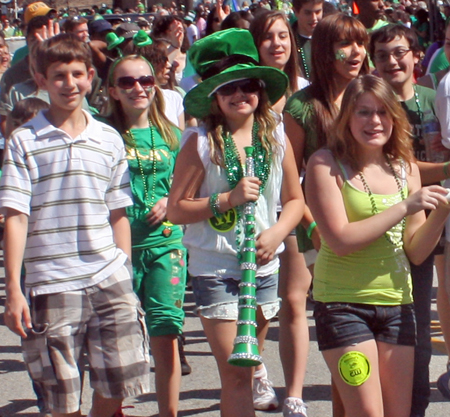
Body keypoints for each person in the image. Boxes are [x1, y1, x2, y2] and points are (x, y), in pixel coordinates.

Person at [0, 33, 151, 417]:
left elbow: (119, 212)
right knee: (61, 395)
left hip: (108, 275)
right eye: (60, 75)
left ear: (90, 78)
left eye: (78, 74)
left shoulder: (108, 138)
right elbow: (16, 216)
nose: (70, 84)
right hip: (52, 280)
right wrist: (14, 289)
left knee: (120, 381)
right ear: (41, 78)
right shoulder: (23, 141)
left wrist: (125, 270)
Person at [167, 28, 304, 417]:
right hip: (215, 268)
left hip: (263, 267)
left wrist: (277, 232)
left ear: (259, 89)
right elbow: (176, 209)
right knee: (237, 375)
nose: (239, 95)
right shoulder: (200, 143)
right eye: (227, 88)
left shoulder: (274, 136)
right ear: (214, 96)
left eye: (247, 85)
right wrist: (226, 199)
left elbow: (294, 200)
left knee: (249, 368)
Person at [305, 73, 450, 417]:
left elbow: (415, 250)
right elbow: (339, 240)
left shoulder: (405, 169)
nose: (375, 121)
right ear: (347, 118)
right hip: (343, 306)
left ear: (394, 119)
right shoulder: (325, 164)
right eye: (363, 112)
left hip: (398, 307)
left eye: (383, 112)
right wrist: (404, 206)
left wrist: (441, 212)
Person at [284, 13, 369, 417]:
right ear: (323, 50)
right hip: (320, 232)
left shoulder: (370, 95)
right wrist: (313, 228)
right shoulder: (301, 106)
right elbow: (290, 181)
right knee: (343, 334)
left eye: (361, 43)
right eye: (345, 44)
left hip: (371, 222)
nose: (356, 53)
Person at [105, 53, 187, 417]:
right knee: (117, 338)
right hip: (112, 249)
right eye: (127, 82)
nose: (138, 88)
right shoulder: (103, 134)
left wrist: (171, 200)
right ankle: (115, 406)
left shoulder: (173, 134)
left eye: (146, 80)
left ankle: (167, 412)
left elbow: (191, 185)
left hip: (165, 246)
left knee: (165, 332)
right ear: (112, 90)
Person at [249, 9, 308, 416]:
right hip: (251, 209)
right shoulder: (246, 91)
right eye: (268, 36)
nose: (277, 43)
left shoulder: (307, 91)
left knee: (293, 299)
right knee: (257, 304)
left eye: (284, 35)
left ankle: (295, 394)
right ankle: (252, 369)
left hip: (297, 206)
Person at [290, 0, 323, 81]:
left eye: (318, 12)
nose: (314, 18)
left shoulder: (329, 37)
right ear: (295, 12)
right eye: (308, 13)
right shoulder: (289, 41)